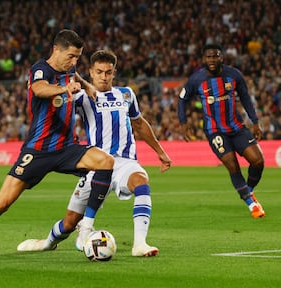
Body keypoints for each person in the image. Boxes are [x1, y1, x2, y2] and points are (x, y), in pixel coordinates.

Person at [0, 29, 115, 262]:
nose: (74, 61)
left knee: (105, 162)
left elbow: (74, 76)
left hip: (67, 147)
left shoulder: (70, 69)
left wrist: (87, 86)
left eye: (78, 57)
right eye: (71, 56)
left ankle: (86, 226)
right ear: (56, 50)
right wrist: (64, 89)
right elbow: (39, 89)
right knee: (3, 201)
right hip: (37, 151)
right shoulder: (40, 70)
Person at [17, 50, 172, 257]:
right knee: (70, 222)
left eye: (108, 72)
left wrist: (160, 152)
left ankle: (140, 244)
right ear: (90, 72)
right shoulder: (81, 97)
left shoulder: (126, 94)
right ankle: (47, 242)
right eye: (99, 72)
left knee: (142, 183)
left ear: (114, 73)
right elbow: (56, 112)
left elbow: (139, 124)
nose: (104, 76)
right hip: (96, 164)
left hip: (125, 162)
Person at [177, 44, 265, 218]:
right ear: (204, 59)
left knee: (258, 161)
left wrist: (255, 121)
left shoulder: (234, 75)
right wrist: (183, 122)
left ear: (221, 57)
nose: (212, 60)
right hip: (214, 130)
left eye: (215, 56)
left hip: (237, 127)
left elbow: (245, 97)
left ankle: (248, 190)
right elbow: (182, 99)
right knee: (232, 165)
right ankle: (250, 203)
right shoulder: (196, 79)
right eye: (208, 57)